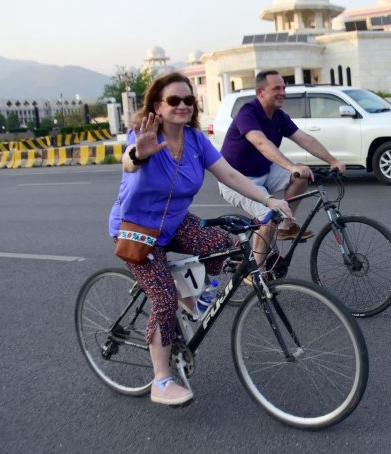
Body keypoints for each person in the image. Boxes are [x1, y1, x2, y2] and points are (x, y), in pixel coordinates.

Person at [109, 72, 291, 407]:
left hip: (174, 222)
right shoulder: (143, 135)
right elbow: (129, 162)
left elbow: (230, 174)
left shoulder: (195, 140)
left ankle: (191, 297)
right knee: (163, 299)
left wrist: (268, 201)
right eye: (173, 100)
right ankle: (161, 380)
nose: (182, 106)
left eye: (188, 100)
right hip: (137, 229)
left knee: (229, 245)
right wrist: (139, 153)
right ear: (157, 106)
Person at [218, 70, 345, 264]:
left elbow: (305, 139)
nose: (283, 92)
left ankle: (286, 225)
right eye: (276, 88)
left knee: (301, 175)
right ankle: (257, 277)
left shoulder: (278, 116)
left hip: (264, 172)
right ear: (260, 92)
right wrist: (290, 165)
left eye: (284, 87)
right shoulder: (248, 113)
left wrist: (332, 160)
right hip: (236, 180)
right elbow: (260, 143)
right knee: (269, 218)